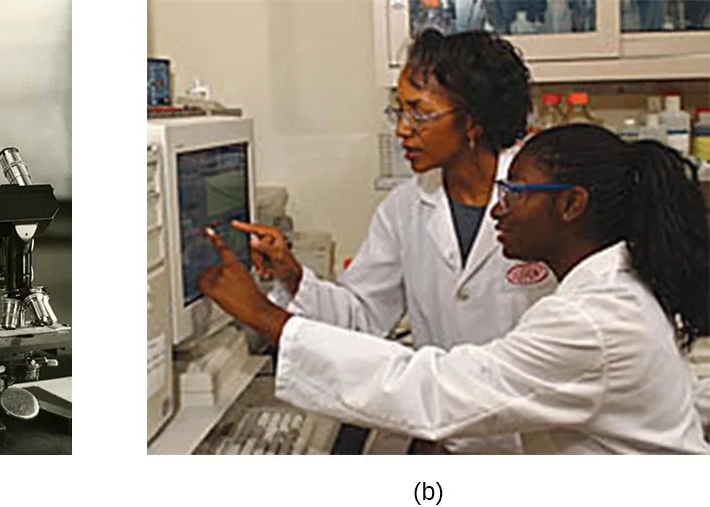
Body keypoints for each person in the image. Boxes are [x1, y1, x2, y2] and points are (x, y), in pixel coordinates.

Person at [200, 123, 710, 454]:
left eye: (515, 194)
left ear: (572, 205)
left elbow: (438, 390)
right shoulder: (612, 282)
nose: (497, 209)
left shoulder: (592, 319)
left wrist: (266, 317)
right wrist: (290, 284)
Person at [236, 29, 553, 453]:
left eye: (419, 113)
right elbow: (363, 316)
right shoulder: (405, 207)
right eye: (399, 111)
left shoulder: (542, 199)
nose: (403, 129)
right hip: (444, 434)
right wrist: (293, 277)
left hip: (532, 443)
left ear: (472, 119)